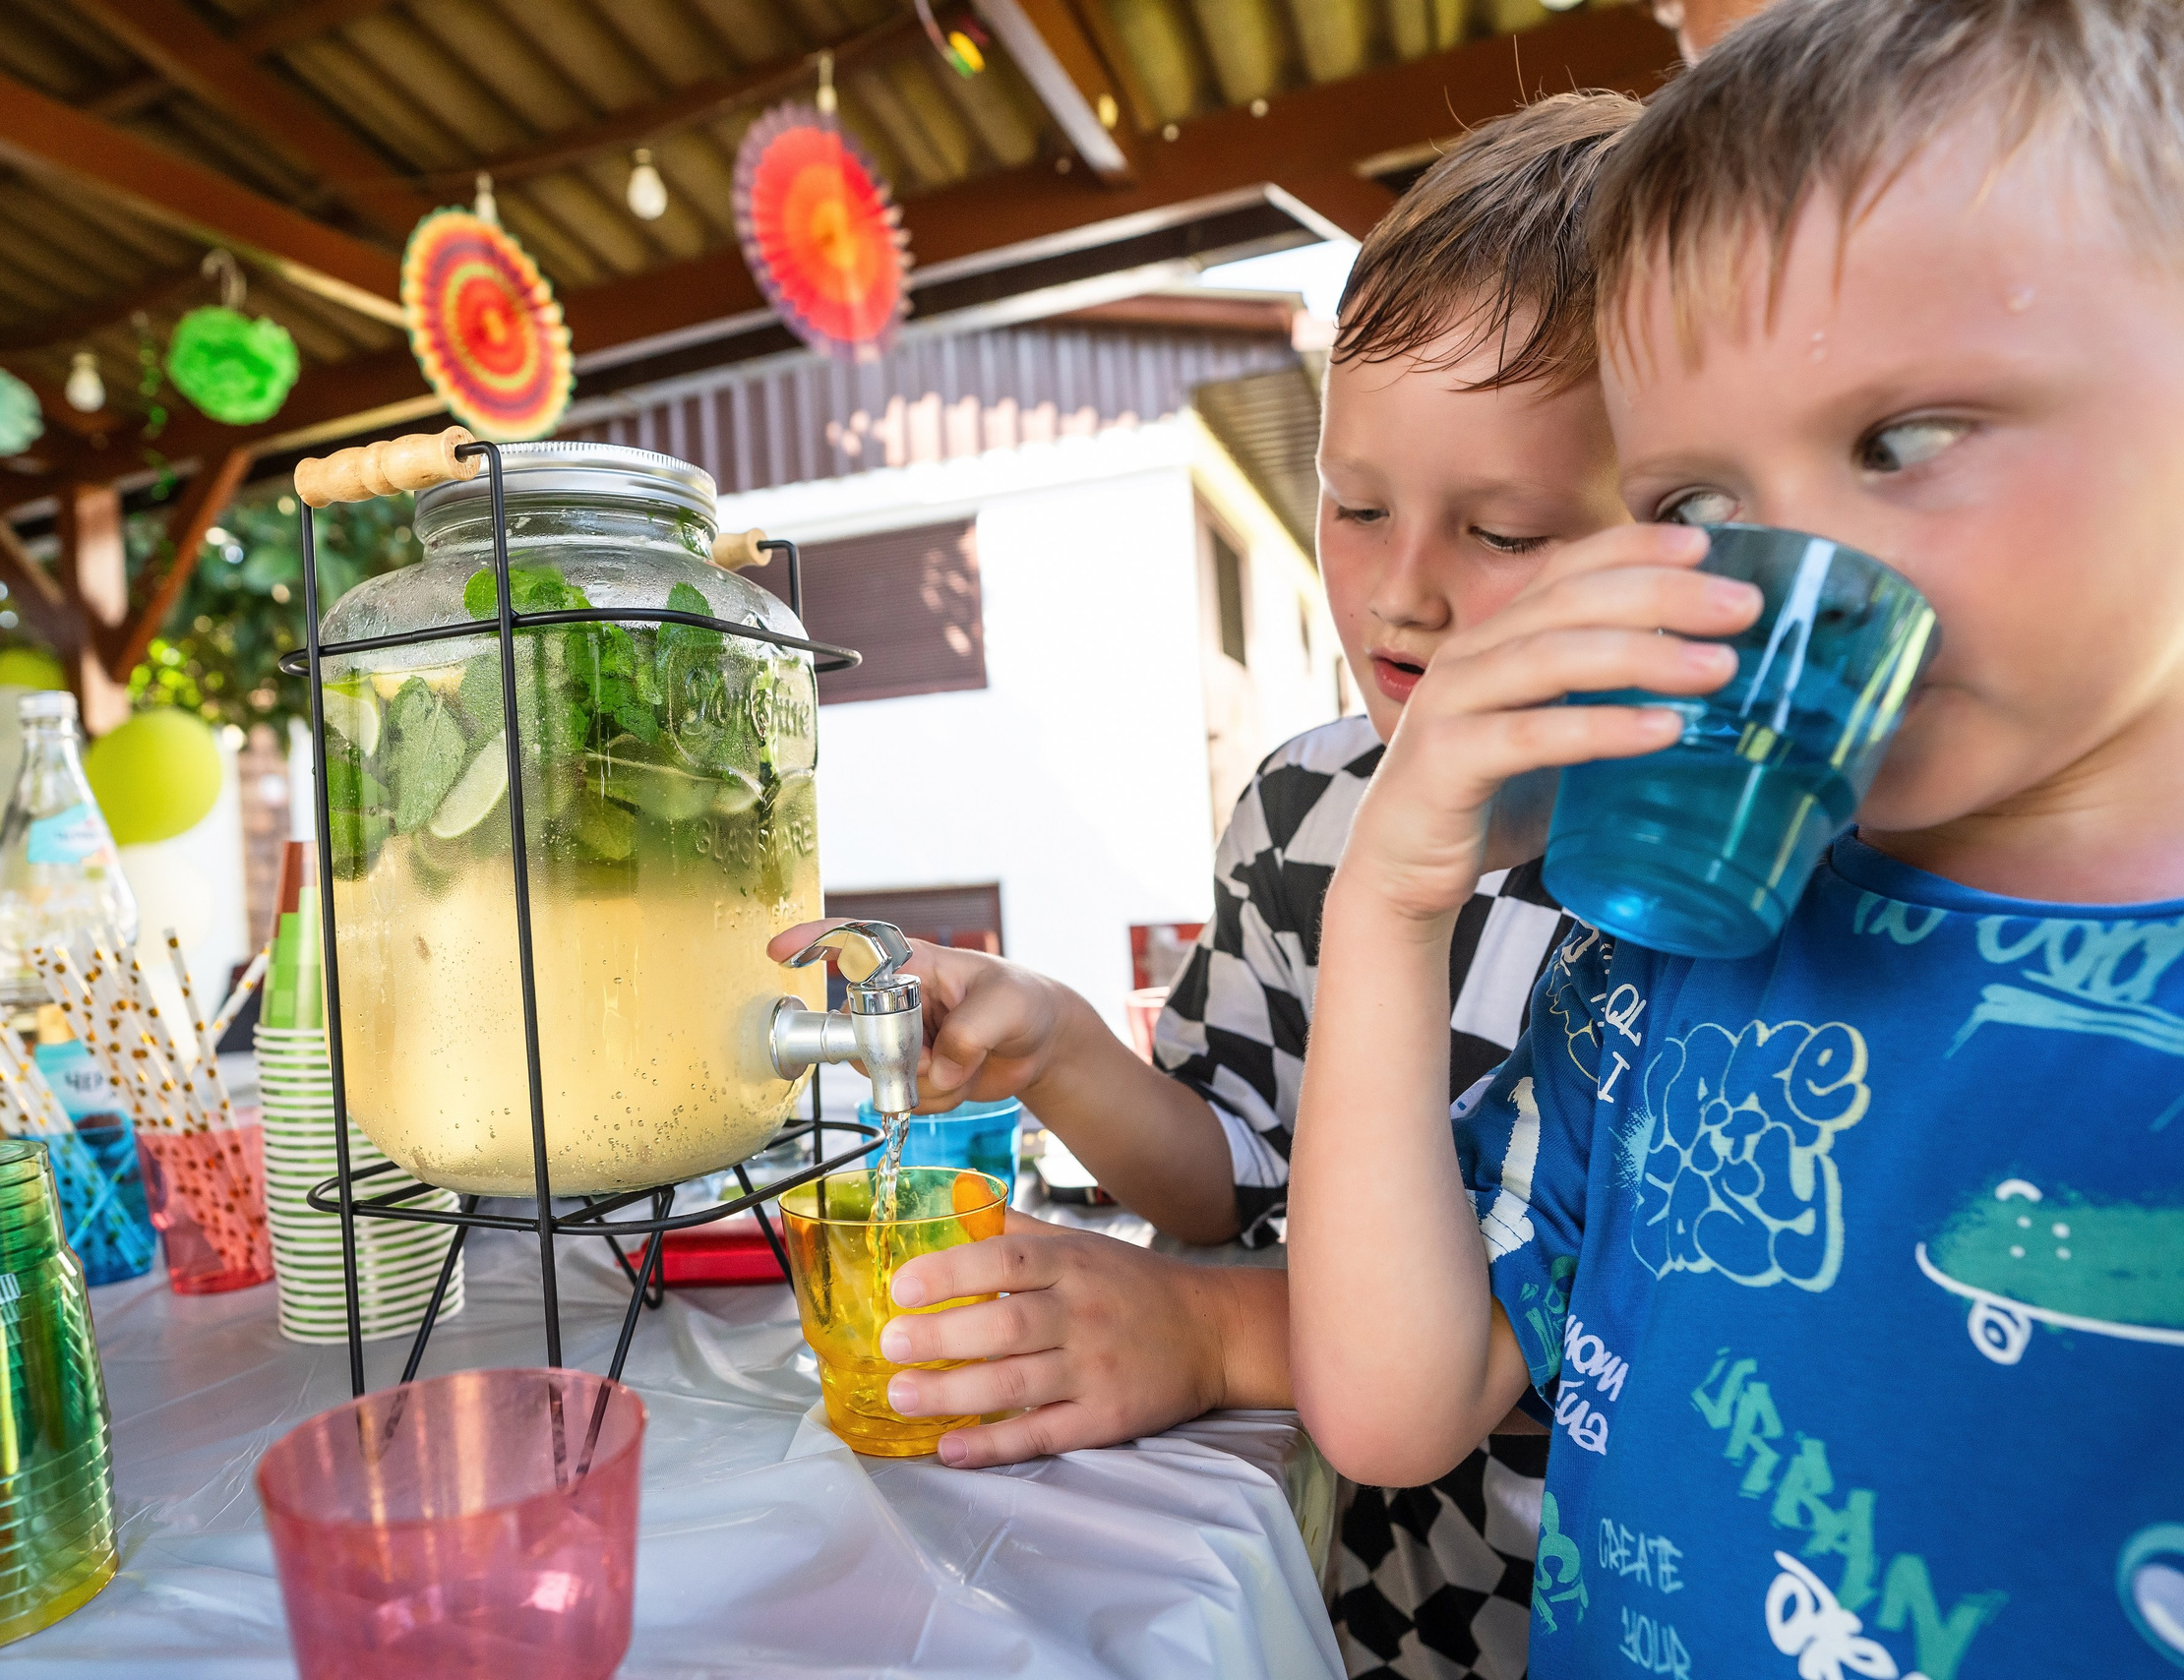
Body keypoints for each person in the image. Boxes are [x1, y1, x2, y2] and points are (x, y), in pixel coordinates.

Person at [1290, 3, 2184, 1676]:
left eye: (1901, 440)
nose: (1783, 568)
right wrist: (1393, 899)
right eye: (1698, 505)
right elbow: (1392, 1409)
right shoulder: (1676, 951)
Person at [775, 90, 1641, 1680]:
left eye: (1503, 528)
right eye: (1357, 503)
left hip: (1588, 1610)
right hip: (1354, 1604)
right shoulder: (1309, 801)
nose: (1401, 588)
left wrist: (1204, 1331)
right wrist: (1055, 1049)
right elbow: (1235, 1176)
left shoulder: (1680, 876)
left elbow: (1551, 1305)